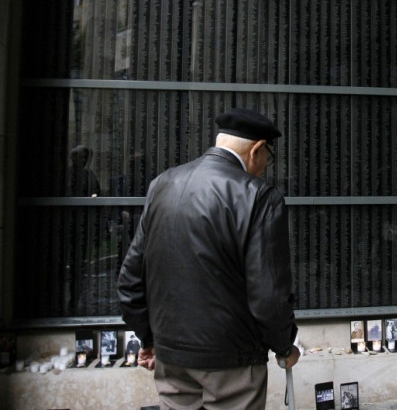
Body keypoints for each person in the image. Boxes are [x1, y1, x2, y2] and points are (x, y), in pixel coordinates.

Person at [118, 107, 299, 409]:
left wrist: (149, 340)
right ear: (257, 149)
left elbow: (130, 280)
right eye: (269, 155)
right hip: (233, 361)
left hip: (171, 356)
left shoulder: (162, 184)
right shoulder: (259, 196)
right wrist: (284, 347)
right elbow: (268, 295)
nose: (267, 165)